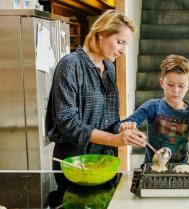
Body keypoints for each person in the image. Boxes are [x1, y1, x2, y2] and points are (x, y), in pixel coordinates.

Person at [45, 10, 147, 178]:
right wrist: (114, 140)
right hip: (75, 164)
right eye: (120, 42)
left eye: (126, 44)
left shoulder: (109, 68)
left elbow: (108, 120)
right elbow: (67, 122)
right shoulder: (70, 65)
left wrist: (121, 128)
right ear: (101, 34)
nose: (123, 51)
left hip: (106, 161)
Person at [122, 54, 189, 175]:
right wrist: (128, 127)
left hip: (181, 169)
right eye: (170, 85)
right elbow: (127, 122)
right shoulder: (152, 106)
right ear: (161, 83)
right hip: (152, 168)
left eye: (181, 86)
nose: (176, 90)